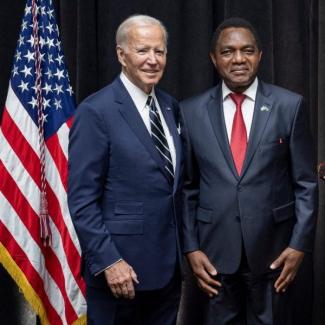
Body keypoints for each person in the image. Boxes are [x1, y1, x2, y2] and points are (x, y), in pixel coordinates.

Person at [180, 17, 317, 324]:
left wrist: (299, 246)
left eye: (247, 50)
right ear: (214, 58)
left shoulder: (289, 106)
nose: (238, 59)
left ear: (260, 55)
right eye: (228, 52)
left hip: (274, 254)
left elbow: (306, 184)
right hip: (214, 256)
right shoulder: (190, 112)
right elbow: (187, 188)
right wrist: (190, 248)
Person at [68, 15, 182, 325]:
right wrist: (109, 261)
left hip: (168, 271)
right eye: (143, 50)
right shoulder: (96, 111)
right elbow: (81, 200)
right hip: (120, 273)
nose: (153, 60)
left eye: (160, 51)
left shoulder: (170, 106)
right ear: (121, 55)